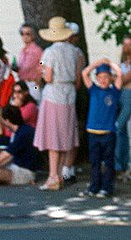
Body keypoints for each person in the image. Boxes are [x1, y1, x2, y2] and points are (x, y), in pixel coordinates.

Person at [33, 17, 81, 191]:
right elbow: (77, 79)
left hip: (54, 93)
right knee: (64, 135)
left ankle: (53, 175)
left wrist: (42, 72)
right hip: (69, 93)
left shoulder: (50, 52)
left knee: (54, 137)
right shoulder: (75, 52)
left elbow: (48, 78)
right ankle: (59, 174)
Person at [80, 59, 122, 198]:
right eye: (100, 77)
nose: (103, 80)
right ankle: (94, 187)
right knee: (94, 162)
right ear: (97, 79)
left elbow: (120, 74)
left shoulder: (114, 92)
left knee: (108, 162)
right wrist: (96, 64)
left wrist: (110, 64)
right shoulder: (94, 90)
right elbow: (85, 73)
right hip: (93, 132)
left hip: (108, 132)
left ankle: (107, 187)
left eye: (106, 77)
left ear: (110, 78)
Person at [0, 80, 38, 161]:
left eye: (19, 92)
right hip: (6, 135)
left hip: (19, 138)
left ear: (26, 92)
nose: (16, 95)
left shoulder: (30, 106)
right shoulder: (15, 104)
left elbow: (15, 120)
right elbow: (4, 117)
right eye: (14, 92)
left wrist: (14, 107)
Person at [62, 22, 88, 184]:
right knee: (66, 131)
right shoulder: (57, 52)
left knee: (73, 131)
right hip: (67, 94)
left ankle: (67, 166)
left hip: (74, 96)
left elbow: (78, 80)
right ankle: (66, 167)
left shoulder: (77, 54)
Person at [115, 34, 131, 177]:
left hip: (129, 95)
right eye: (125, 44)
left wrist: (118, 79)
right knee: (122, 132)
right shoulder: (122, 63)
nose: (126, 48)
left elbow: (123, 79)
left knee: (119, 126)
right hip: (121, 96)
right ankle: (121, 163)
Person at [16, 23, 43, 102]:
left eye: (27, 34)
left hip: (33, 84)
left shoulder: (37, 51)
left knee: (33, 105)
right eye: (22, 33)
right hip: (23, 83)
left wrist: (38, 82)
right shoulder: (23, 50)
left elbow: (42, 65)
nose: (24, 36)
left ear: (33, 35)